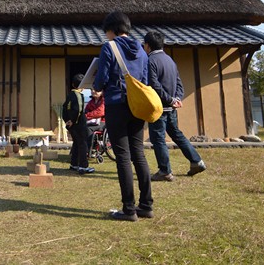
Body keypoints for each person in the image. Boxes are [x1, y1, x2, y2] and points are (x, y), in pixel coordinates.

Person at [93, 11, 154, 221]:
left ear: (111, 30)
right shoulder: (141, 49)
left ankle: (129, 209)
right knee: (139, 154)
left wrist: (96, 87)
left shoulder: (109, 47)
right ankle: (146, 206)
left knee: (123, 157)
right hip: (138, 106)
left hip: (117, 105)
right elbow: (145, 80)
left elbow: (101, 79)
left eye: (107, 31)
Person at [144, 31, 206, 181]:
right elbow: (179, 83)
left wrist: (170, 100)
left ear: (147, 45)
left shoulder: (150, 60)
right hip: (171, 108)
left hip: (158, 107)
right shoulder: (170, 60)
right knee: (177, 134)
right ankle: (196, 161)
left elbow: (154, 85)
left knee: (158, 138)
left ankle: (165, 171)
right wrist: (176, 98)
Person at [63, 74, 95, 175]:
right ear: (83, 85)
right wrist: (73, 120)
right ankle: (83, 166)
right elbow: (78, 110)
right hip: (78, 124)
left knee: (76, 143)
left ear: (73, 84)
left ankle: (74, 164)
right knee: (83, 144)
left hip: (70, 124)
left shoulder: (69, 95)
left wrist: (67, 120)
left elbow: (64, 108)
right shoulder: (79, 96)